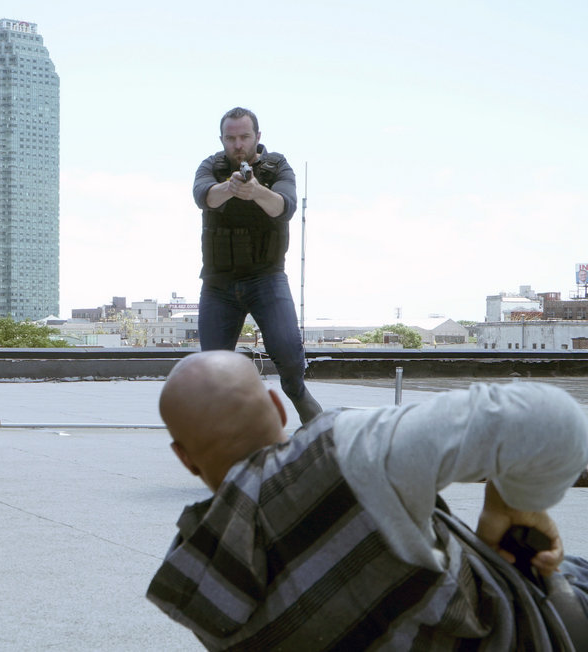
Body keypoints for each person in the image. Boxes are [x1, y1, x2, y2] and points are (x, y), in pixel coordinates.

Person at [147, 351, 588, 650]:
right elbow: (554, 422)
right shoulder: (347, 453)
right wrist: (511, 503)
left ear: (185, 458)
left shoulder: (198, 579)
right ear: (279, 409)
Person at [194, 107, 321, 424]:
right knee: (213, 368)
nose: (237, 145)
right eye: (231, 138)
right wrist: (230, 187)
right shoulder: (212, 166)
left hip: (266, 279)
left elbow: (285, 206)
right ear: (222, 139)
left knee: (290, 357)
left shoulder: (277, 166)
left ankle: (301, 400)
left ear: (258, 137)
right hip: (218, 284)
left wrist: (256, 191)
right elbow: (203, 196)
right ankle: (229, 434)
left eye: (244, 137)